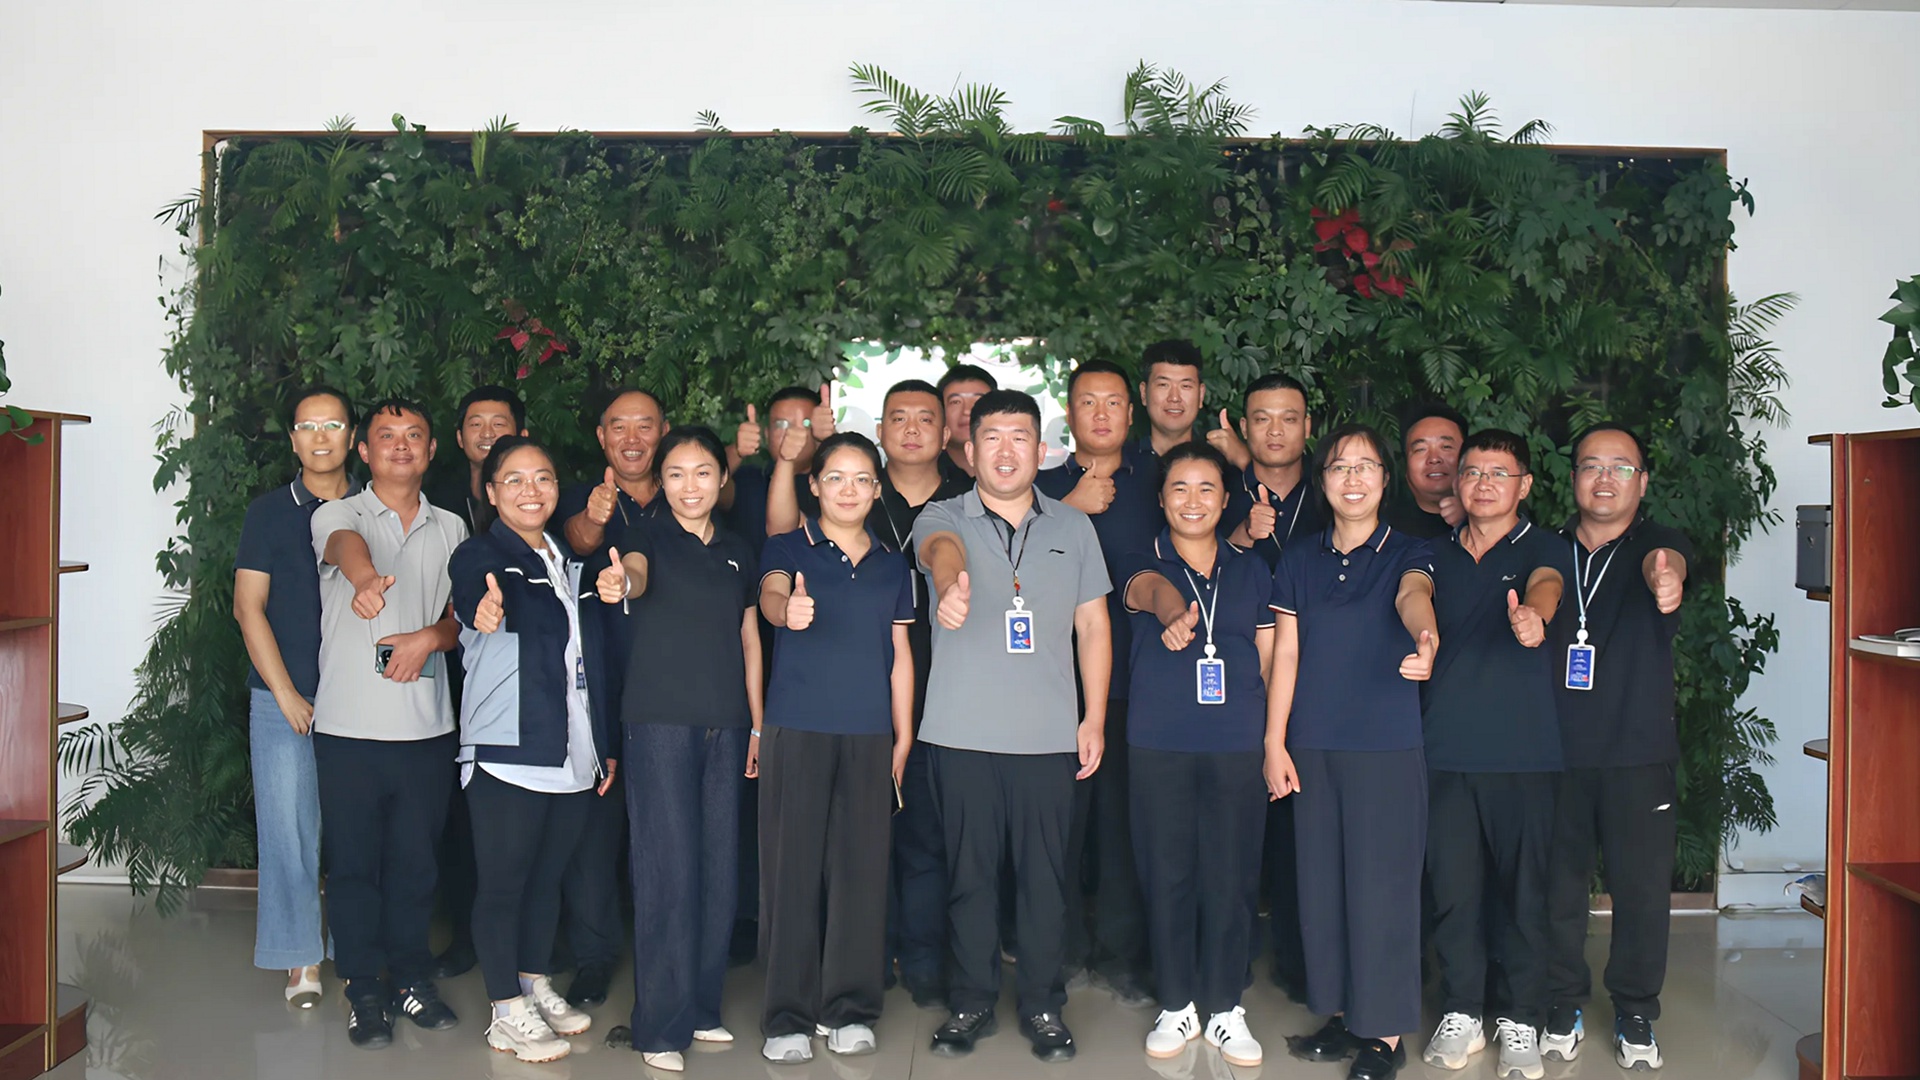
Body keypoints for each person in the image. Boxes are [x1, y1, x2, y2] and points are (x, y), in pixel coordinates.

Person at [914, 390, 1112, 1063]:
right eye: (991, 438)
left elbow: (1093, 625)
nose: (1005, 451)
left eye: (1019, 437)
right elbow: (938, 550)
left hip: (1049, 738)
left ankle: (1043, 1005)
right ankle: (970, 1001)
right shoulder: (944, 514)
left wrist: (1094, 716)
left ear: (1041, 450)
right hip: (961, 735)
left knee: (1045, 882)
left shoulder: (1073, 527)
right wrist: (952, 586)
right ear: (969, 451)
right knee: (969, 879)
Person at [1267, 422, 1438, 1080]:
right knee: (1324, 888)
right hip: (1313, 744)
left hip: (1384, 747)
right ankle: (1343, 1013)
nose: (1354, 478)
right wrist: (1275, 741)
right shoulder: (1299, 559)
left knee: (1382, 891)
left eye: (1367, 466)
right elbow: (1286, 654)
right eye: (1340, 467)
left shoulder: (1409, 552)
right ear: (1324, 481)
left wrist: (1426, 638)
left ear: (1385, 480)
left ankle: (1385, 1034)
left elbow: (1414, 597)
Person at [595, 426, 763, 1074]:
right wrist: (621, 585)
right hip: (660, 724)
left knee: (719, 870)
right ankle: (659, 1025)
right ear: (660, 483)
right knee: (667, 872)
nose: (689, 486)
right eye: (676, 474)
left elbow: (749, 638)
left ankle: (699, 1006)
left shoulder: (738, 550)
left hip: (727, 724)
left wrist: (757, 724)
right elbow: (633, 576)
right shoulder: (643, 536)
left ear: (722, 479)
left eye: (702, 473)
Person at [448, 436, 620, 1063]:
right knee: (503, 884)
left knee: (546, 881)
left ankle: (531, 980)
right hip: (508, 748)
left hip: (570, 748)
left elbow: (588, 659)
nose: (531, 490)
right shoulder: (480, 554)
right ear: (491, 492)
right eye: (514, 480)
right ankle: (504, 1011)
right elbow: (473, 591)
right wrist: (482, 608)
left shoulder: (566, 559)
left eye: (543, 478)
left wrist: (601, 745)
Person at [309, 398, 469, 1049]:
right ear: (365, 451)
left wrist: (429, 637)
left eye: (414, 435)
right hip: (348, 729)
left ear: (431, 450)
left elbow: (463, 622)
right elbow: (344, 549)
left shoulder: (452, 527)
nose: (401, 445)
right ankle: (363, 991)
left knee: (415, 865)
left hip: (426, 730)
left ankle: (409, 979)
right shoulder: (338, 513)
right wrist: (366, 580)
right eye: (386, 436)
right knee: (353, 868)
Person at [755, 432, 916, 1064]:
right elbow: (771, 595)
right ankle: (787, 1016)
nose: (849, 490)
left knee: (860, 872)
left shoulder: (892, 564)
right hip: (797, 730)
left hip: (870, 733)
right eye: (835, 478)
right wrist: (785, 612)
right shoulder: (787, 547)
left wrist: (903, 732)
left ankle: (849, 1008)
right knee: (791, 873)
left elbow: (900, 653)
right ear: (814, 485)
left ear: (877, 490)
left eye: (861, 479)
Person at [1540, 424, 1691, 1072]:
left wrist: (1667, 580)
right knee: (1556, 888)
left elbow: (1670, 565)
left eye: (1621, 467)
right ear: (1572, 476)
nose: (1605, 478)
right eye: (1591, 465)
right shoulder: (1545, 551)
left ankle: (1635, 1009)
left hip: (1637, 753)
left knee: (1641, 891)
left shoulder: (1657, 544)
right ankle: (1561, 1001)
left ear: (1642, 481)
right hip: (1554, 752)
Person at [1121, 442, 1276, 1068]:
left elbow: (1267, 654)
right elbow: (1147, 591)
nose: (1193, 501)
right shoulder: (1142, 558)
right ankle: (1177, 1002)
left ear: (1225, 499)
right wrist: (1171, 613)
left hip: (1236, 741)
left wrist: (1266, 734)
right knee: (1167, 872)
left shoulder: (1251, 568)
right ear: (1161, 500)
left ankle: (1225, 1006)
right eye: (1179, 488)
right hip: (1160, 741)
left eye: (1206, 488)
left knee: (1232, 875)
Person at [1417, 430, 1565, 1080]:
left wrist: (1535, 616)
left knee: (1523, 895)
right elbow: (1411, 597)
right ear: (1457, 482)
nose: (1483, 484)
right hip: (1444, 750)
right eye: (1472, 472)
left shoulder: (1542, 547)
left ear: (1523, 485)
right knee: (1454, 893)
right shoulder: (1433, 554)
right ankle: (1462, 1012)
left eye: (1498, 474)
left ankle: (1522, 1019)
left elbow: (1547, 584)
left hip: (1523, 756)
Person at [1034, 360, 1160, 1007]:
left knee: (1123, 827)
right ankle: (1056, 954)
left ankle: (1119, 955)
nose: (1102, 414)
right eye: (1089, 402)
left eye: (1114, 402)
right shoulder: (1040, 487)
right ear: (1069, 413)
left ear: (1131, 414)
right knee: (1057, 828)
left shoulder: (1159, 484)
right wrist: (1066, 509)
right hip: (1053, 685)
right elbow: (1005, 558)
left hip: (1138, 683)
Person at [232, 387, 361, 1008]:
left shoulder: (373, 505)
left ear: (352, 437)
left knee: (359, 831)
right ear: (292, 439)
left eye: (332, 424)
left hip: (362, 698)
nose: (320, 436)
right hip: (285, 696)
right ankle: (300, 955)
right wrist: (284, 693)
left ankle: (359, 948)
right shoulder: (268, 513)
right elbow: (247, 607)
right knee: (289, 830)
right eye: (308, 426)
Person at [551, 387, 670, 1007]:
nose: (631, 438)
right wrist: (596, 517)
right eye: (618, 426)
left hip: (673, 686)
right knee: (595, 826)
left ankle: (670, 947)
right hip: (597, 683)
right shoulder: (579, 496)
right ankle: (594, 956)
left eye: (644, 425)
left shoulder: (686, 491)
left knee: (668, 824)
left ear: (663, 432)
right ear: (601, 437)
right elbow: (575, 540)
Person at [1213, 372, 1325, 1001]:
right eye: (1261, 418)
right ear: (1244, 426)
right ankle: (1223, 967)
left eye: (1289, 418)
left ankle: (1304, 966)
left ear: (1308, 426)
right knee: (1234, 834)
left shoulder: (1335, 490)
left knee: (1304, 835)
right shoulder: (1214, 489)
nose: (1275, 430)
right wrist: (1239, 534)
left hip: (1318, 688)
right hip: (1234, 687)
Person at [871, 379, 974, 1009]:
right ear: (880, 430)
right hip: (864, 687)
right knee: (866, 834)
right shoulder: (855, 489)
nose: (911, 429)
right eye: (898, 418)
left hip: (947, 691)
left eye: (925, 418)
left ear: (945, 431)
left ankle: (925, 957)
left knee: (931, 834)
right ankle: (870, 952)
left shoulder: (969, 497)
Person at [424, 385, 527, 982]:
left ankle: (530, 941)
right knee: (458, 814)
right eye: (476, 423)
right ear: (459, 437)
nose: (487, 432)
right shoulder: (434, 499)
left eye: (499, 421)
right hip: (446, 675)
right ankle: (463, 934)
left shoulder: (532, 495)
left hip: (513, 680)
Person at [732, 384, 834, 543]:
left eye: (806, 423)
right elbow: (711, 479)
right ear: (767, 434)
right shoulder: (749, 480)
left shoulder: (837, 484)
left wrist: (832, 440)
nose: (792, 432)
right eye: (782, 425)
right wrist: (736, 451)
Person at [1386, 402, 1467, 539]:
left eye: (1446, 447)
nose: (1434, 459)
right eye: (1420, 449)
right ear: (1406, 466)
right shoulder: (1382, 531)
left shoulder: (1496, 523)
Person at [1138, 340, 1208, 460]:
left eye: (1185, 386)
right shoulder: (1119, 462)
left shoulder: (1219, 465)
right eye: (1163, 385)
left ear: (1201, 395)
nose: (1174, 398)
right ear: (1144, 393)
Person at [936, 364, 998, 481]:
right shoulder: (923, 474)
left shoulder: (1022, 473)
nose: (967, 411)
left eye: (978, 401)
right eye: (956, 402)